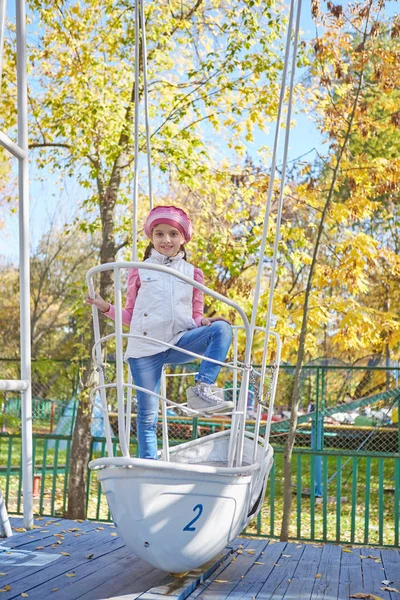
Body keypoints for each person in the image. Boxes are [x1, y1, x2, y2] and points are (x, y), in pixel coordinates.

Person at [87, 205, 233, 459]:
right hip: (145, 347)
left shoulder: (193, 274)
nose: (166, 240)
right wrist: (105, 307)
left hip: (178, 341)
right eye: (160, 234)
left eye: (173, 234)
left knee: (223, 328)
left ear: (183, 238)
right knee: (147, 416)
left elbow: (195, 317)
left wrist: (206, 322)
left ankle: (202, 387)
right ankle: (150, 465)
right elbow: (131, 316)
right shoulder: (140, 269)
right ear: (152, 237)